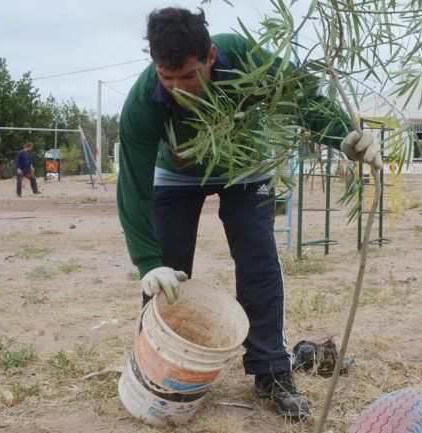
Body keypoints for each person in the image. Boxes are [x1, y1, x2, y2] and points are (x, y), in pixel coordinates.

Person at [117, 7, 382, 420]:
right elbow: (132, 185)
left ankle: (272, 373)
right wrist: (148, 263)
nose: (178, 90)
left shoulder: (241, 55)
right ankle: (154, 367)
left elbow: (298, 95)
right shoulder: (143, 100)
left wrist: (343, 136)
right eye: (167, 79)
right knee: (166, 271)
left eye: (188, 76)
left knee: (258, 259)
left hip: (245, 168)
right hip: (177, 173)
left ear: (210, 56)